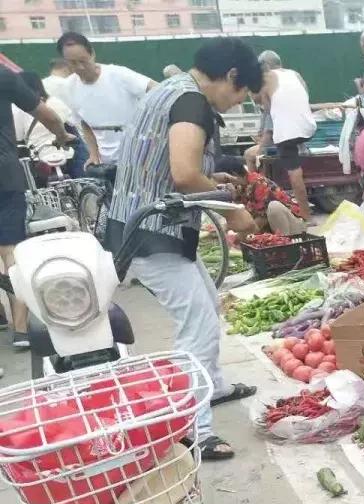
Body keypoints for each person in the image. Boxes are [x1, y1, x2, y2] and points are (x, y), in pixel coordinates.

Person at [105, 38, 262, 461]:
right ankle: (194, 429)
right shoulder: (192, 102)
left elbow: (172, 167)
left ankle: (216, 386)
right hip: (153, 232)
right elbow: (184, 173)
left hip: (143, 223)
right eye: (242, 92)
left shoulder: (168, 89)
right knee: (196, 326)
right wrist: (231, 211)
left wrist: (216, 186)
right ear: (231, 76)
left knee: (207, 305)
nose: (238, 102)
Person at [0, 66, 72, 350]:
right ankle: (21, 330)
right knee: (12, 250)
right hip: (4, 176)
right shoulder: (3, 75)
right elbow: (47, 114)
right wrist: (61, 135)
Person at [58, 32, 155, 167]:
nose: (80, 67)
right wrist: (93, 154)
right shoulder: (69, 86)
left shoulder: (118, 74)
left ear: (92, 53)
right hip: (108, 161)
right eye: (73, 63)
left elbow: (157, 89)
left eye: (83, 61)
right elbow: (84, 123)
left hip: (142, 156)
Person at [251, 50, 316, 220]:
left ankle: (306, 217)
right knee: (293, 154)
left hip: (288, 133)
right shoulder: (295, 74)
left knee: (294, 172)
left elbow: (266, 108)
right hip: (308, 127)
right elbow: (305, 95)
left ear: (265, 66)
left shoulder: (266, 78)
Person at [12, 70, 79, 177]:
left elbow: (18, 137)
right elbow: (72, 123)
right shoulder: (55, 101)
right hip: (66, 154)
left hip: (39, 157)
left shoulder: (17, 108)